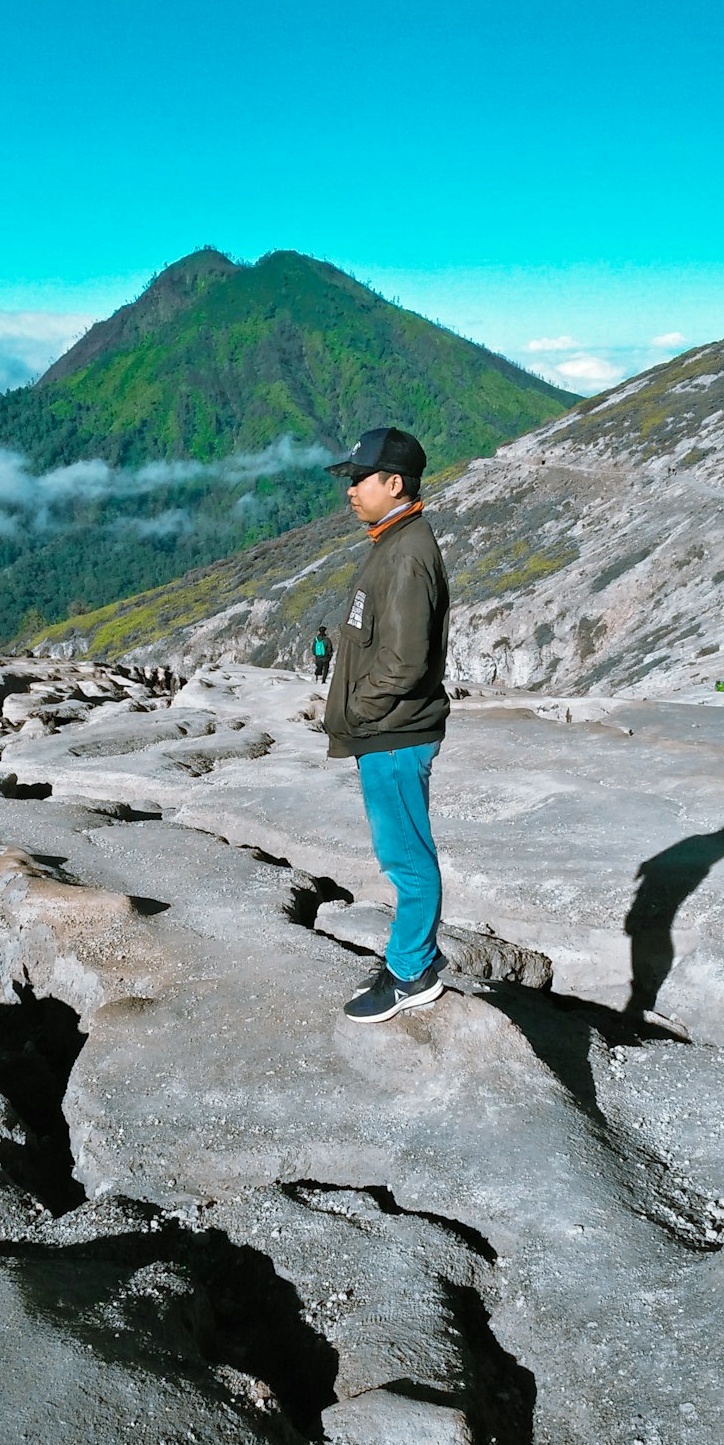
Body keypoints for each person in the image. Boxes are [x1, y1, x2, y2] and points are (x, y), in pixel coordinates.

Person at [323, 426, 450, 1023]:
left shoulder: (405, 553)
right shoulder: (394, 541)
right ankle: (411, 959)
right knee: (401, 850)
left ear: (392, 483)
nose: (349, 490)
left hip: (393, 735)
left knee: (406, 858)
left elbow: (404, 663)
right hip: (388, 732)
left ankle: (410, 972)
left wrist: (356, 712)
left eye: (357, 479)